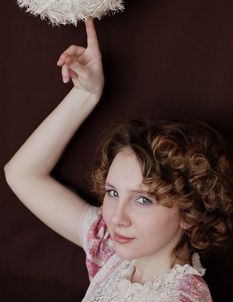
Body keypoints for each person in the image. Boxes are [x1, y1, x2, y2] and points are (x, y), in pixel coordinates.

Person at [4, 18, 233, 301]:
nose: (115, 216)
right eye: (113, 192)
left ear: (190, 212)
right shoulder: (113, 249)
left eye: (143, 199)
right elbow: (22, 174)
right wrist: (85, 94)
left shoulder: (183, 297)